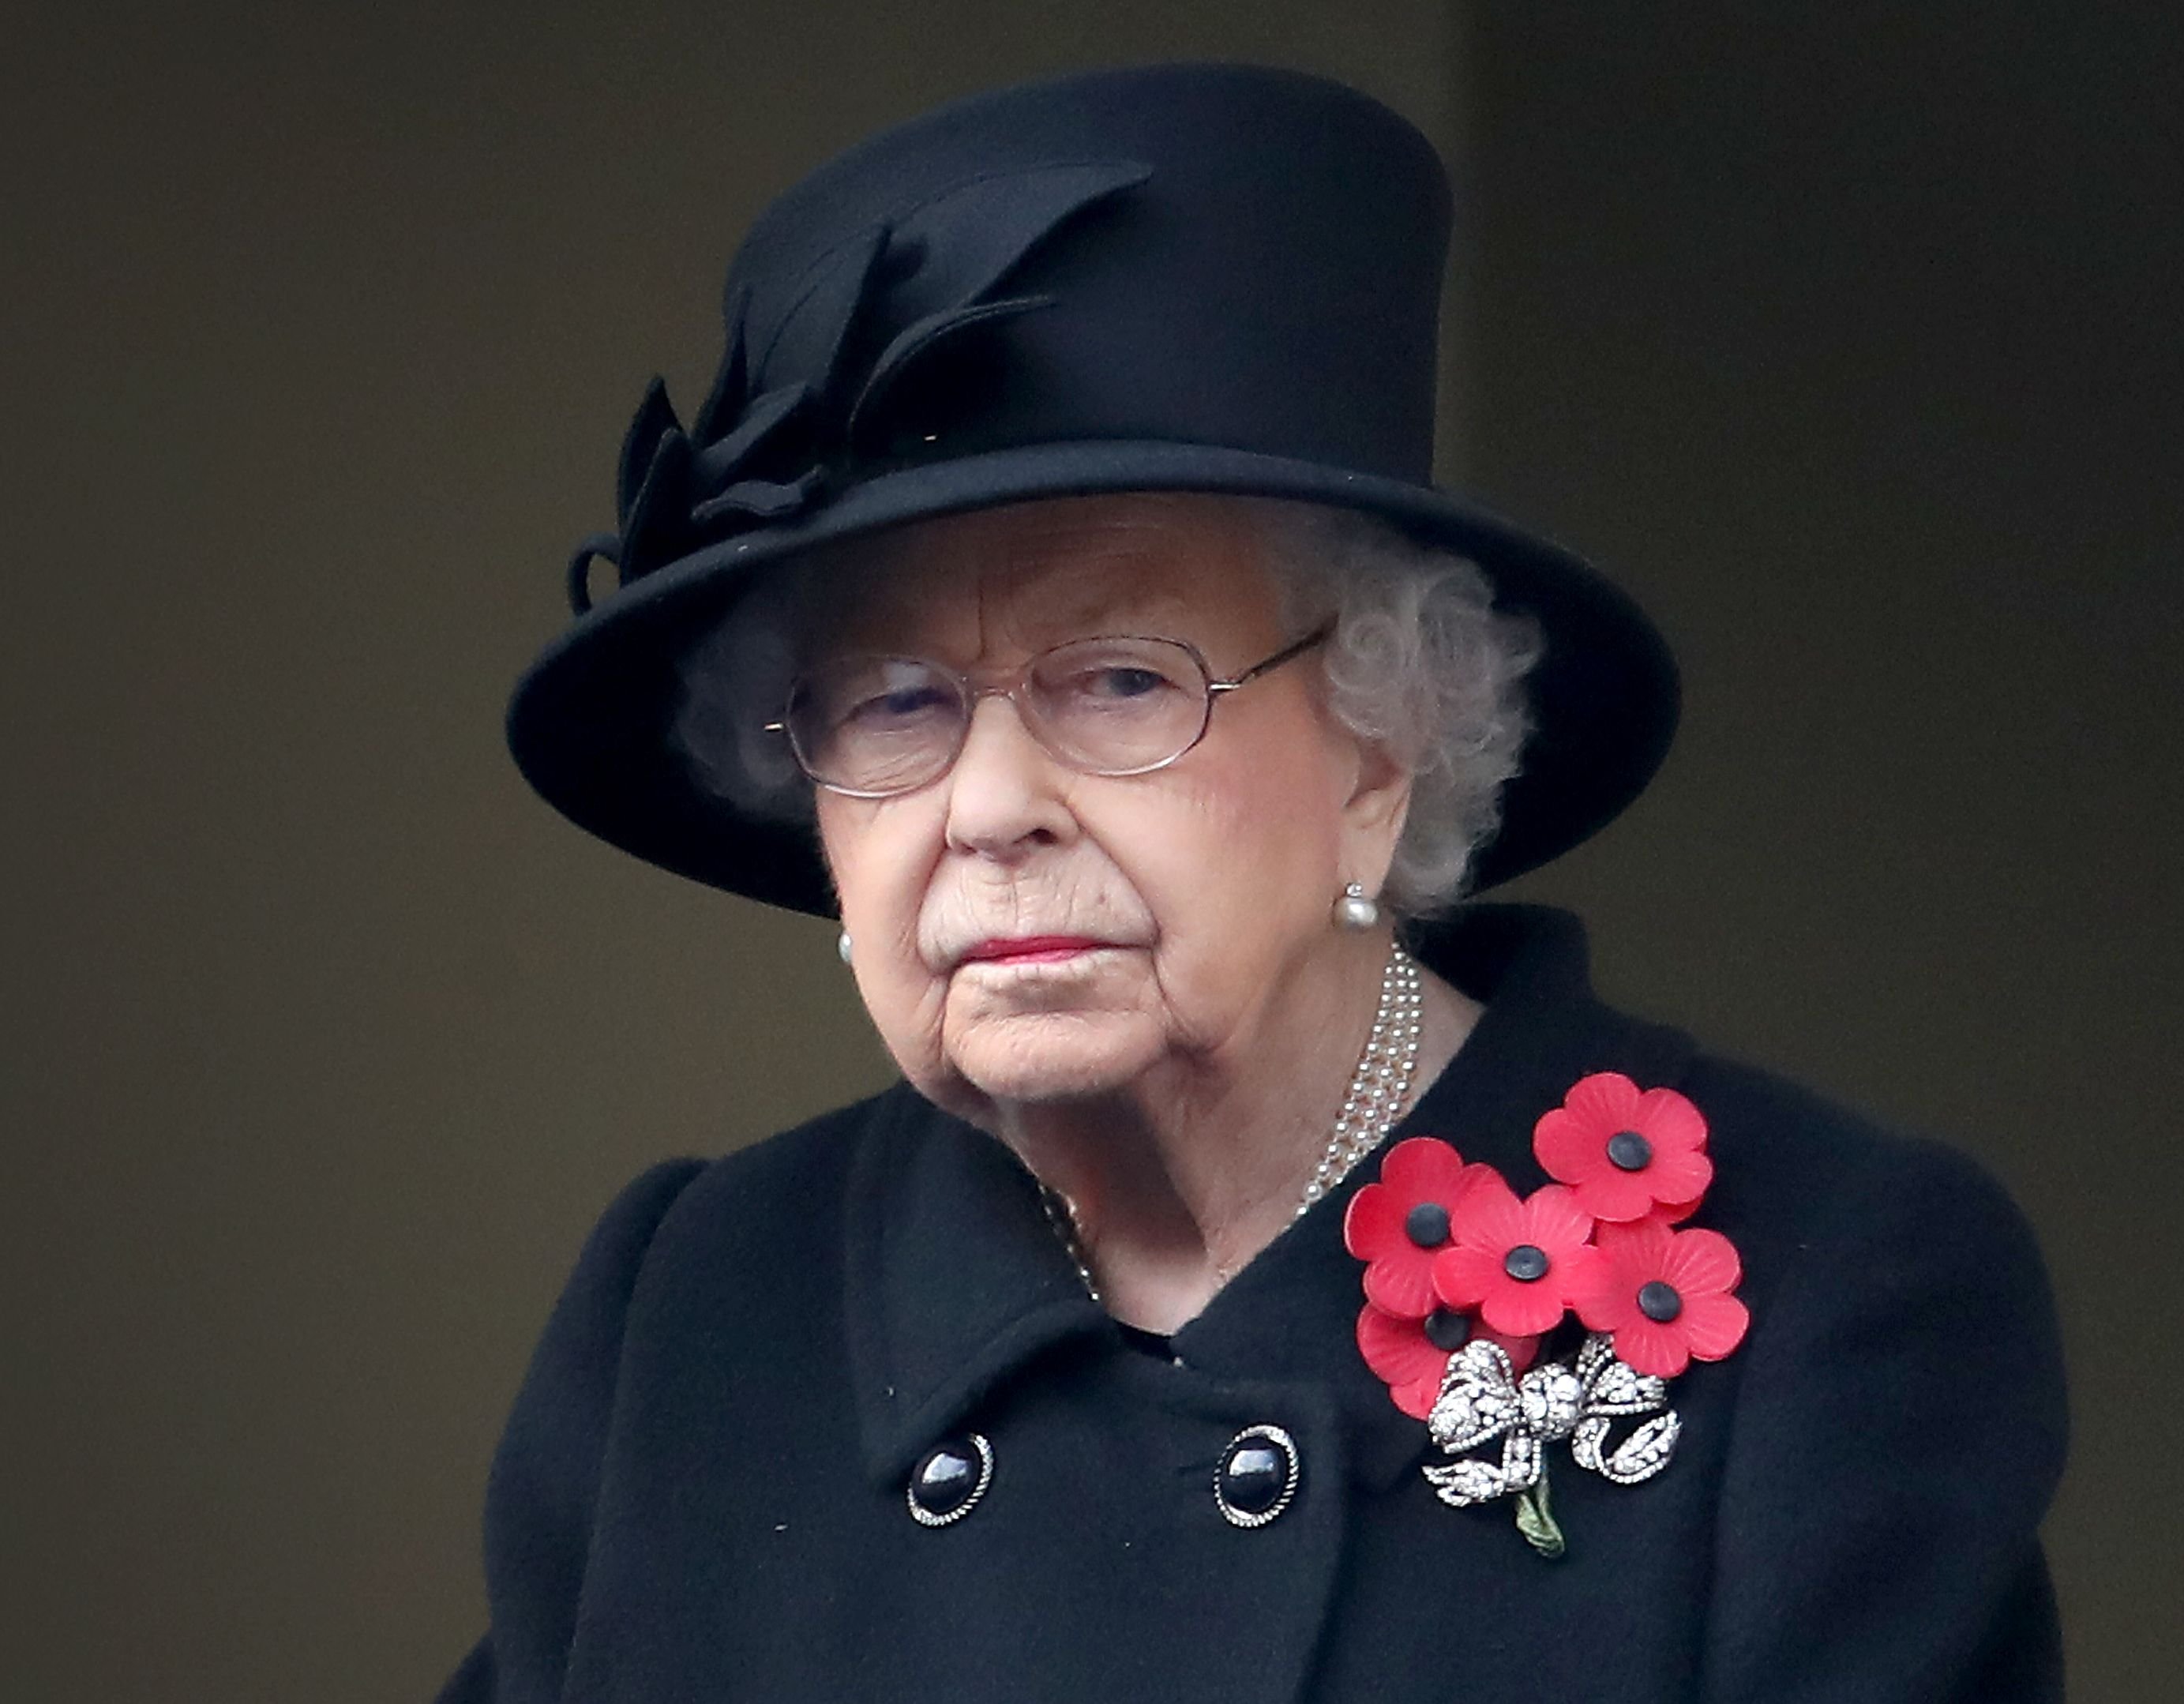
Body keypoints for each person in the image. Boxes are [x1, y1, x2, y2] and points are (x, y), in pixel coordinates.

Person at [446, 63, 2066, 1703]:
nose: (990, 805)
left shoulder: (1830, 1286)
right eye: (893, 700)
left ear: (1383, 747)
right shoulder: (700, 1301)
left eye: (1123, 680)